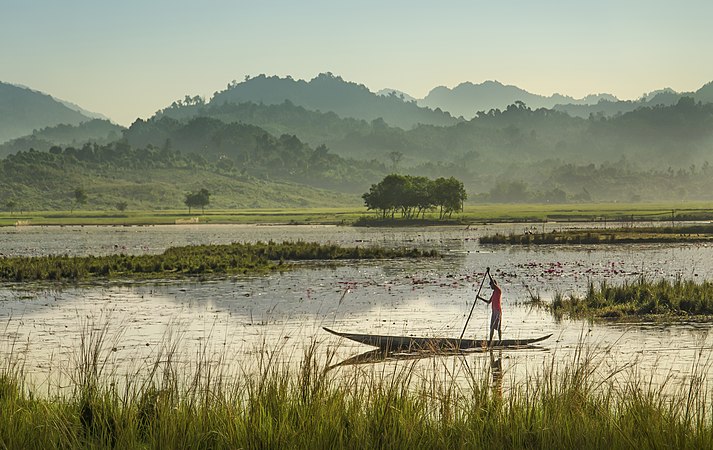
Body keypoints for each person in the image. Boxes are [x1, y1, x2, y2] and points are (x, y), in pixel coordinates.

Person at [477, 274, 502, 346]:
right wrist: (479, 298)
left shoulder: (498, 290)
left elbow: (493, 282)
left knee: (498, 327)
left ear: (494, 285)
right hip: (494, 312)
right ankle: (490, 342)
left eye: (491, 285)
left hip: (498, 311)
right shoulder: (494, 293)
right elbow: (488, 302)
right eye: (490, 286)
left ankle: (500, 341)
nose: (491, 287)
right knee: (491, 327)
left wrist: (488, 273)